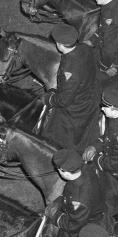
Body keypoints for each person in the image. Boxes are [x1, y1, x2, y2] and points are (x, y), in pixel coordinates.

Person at [45, 148, 110, 237]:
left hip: (86, 223)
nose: (58, 171)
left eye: (59, 170)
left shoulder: (79, 198)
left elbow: (74, 225)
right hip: (89, 208)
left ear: (64, 172)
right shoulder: (86, 169)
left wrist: (55, 215)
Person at [41, 24, 102, 152]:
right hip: (92, 91)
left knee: (51, 133)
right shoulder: (84, 48)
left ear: (59, 44)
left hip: (79, 107)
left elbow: (64, 101)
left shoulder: (70, 69)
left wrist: (49, 98)